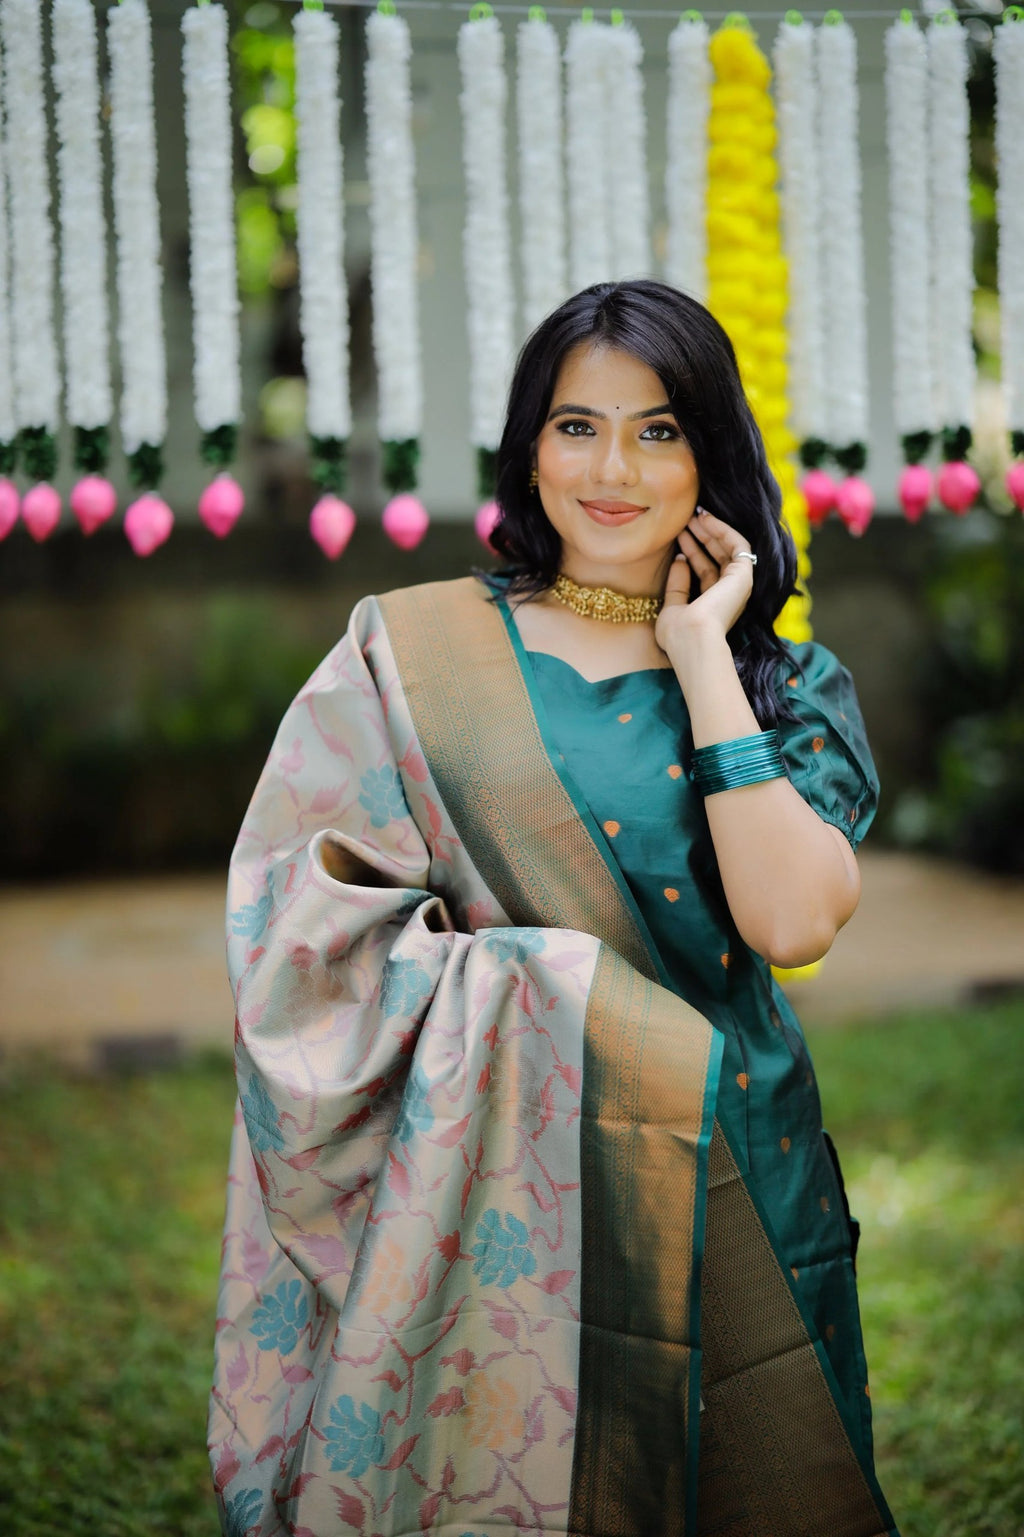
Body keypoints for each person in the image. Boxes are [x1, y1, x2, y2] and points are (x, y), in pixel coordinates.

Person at [210, 280, 897, 1536]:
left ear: (714, 451)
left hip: (739, 1161)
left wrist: (700, 656)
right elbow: (300, 931)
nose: (613, 469)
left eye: (659, 429)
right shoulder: (408, 654)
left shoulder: (782, 685)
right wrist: (534, 988)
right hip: (503, 1186)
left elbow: (792, 925)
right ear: (530, 444)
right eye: (577, 426)